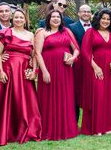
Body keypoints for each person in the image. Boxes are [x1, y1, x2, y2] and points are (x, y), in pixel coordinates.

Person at [0, 9, 42, 146]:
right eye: (16, 17)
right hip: (9, 70)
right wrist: (0, 71)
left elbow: (34, 55)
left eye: (21, 17)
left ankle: (28, 129)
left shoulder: (31, 35)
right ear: (12, 19)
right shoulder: (5, 33)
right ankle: (9, 131)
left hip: (24, 71)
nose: (19, 20)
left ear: (25, 20)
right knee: (10, 100)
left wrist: (34, 71)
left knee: (26, 100)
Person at [34, 11, 79, 141]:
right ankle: (49, 130)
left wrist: (73, 58)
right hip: (49, 69)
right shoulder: (41, 33)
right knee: (49, 98)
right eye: (53, 17)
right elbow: (37, 53)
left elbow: (76, 49)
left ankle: (66, 129)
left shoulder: (66, 32)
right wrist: (44, 71)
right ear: (48, 19)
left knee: (65, 97)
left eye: (58, 17)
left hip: (65, 70)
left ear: (61, 19)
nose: (55, 19)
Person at [81, 9, 111, 135]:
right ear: (98, 19)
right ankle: (96, 128)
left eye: (108, 19)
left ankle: (109, 127)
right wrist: (95, 67)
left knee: (110, 97)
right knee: (98, 96)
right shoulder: (91, 32)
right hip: (96, 69)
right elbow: (85, 52)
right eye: (103, 18)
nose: (105, 21)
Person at [68, 4, 93, 122]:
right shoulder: (71, 27)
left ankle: (91, 120)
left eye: (88, 11)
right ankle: (74, 120)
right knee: (76, 91)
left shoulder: (96, 27)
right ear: (78, 13)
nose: (86, 14)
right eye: (83, 11)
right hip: (78, 64)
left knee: (91, 91)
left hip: (93, 63)